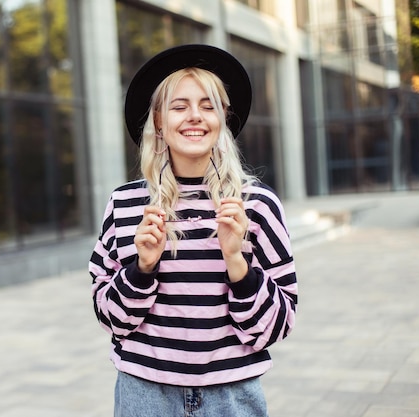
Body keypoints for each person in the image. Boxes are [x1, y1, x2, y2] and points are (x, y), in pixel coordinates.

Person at [88, 44, 297, 417]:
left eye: (208, 105)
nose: (194, 117)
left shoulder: (257, 205)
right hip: (144, 394)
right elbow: (110, 317)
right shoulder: (124, 206)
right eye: (179, 106)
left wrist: (237, 262)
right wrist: (142, 269)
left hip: (231, 395)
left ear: (223, 118)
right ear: (158, 121)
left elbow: (276, 327)